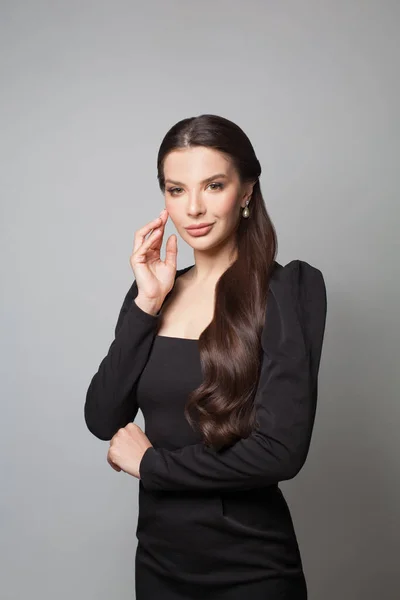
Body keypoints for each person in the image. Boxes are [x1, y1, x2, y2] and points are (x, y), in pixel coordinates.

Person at [84, 114, 327, 599]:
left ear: (246, 191)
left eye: (213, 185)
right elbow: (103, 416)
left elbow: (280, 452)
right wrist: (146, 305)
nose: (193, 207)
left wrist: (153, 466)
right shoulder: (155, 293)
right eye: (176, 190)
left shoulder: (287, 289)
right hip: (158, 562)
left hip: (250, 569)